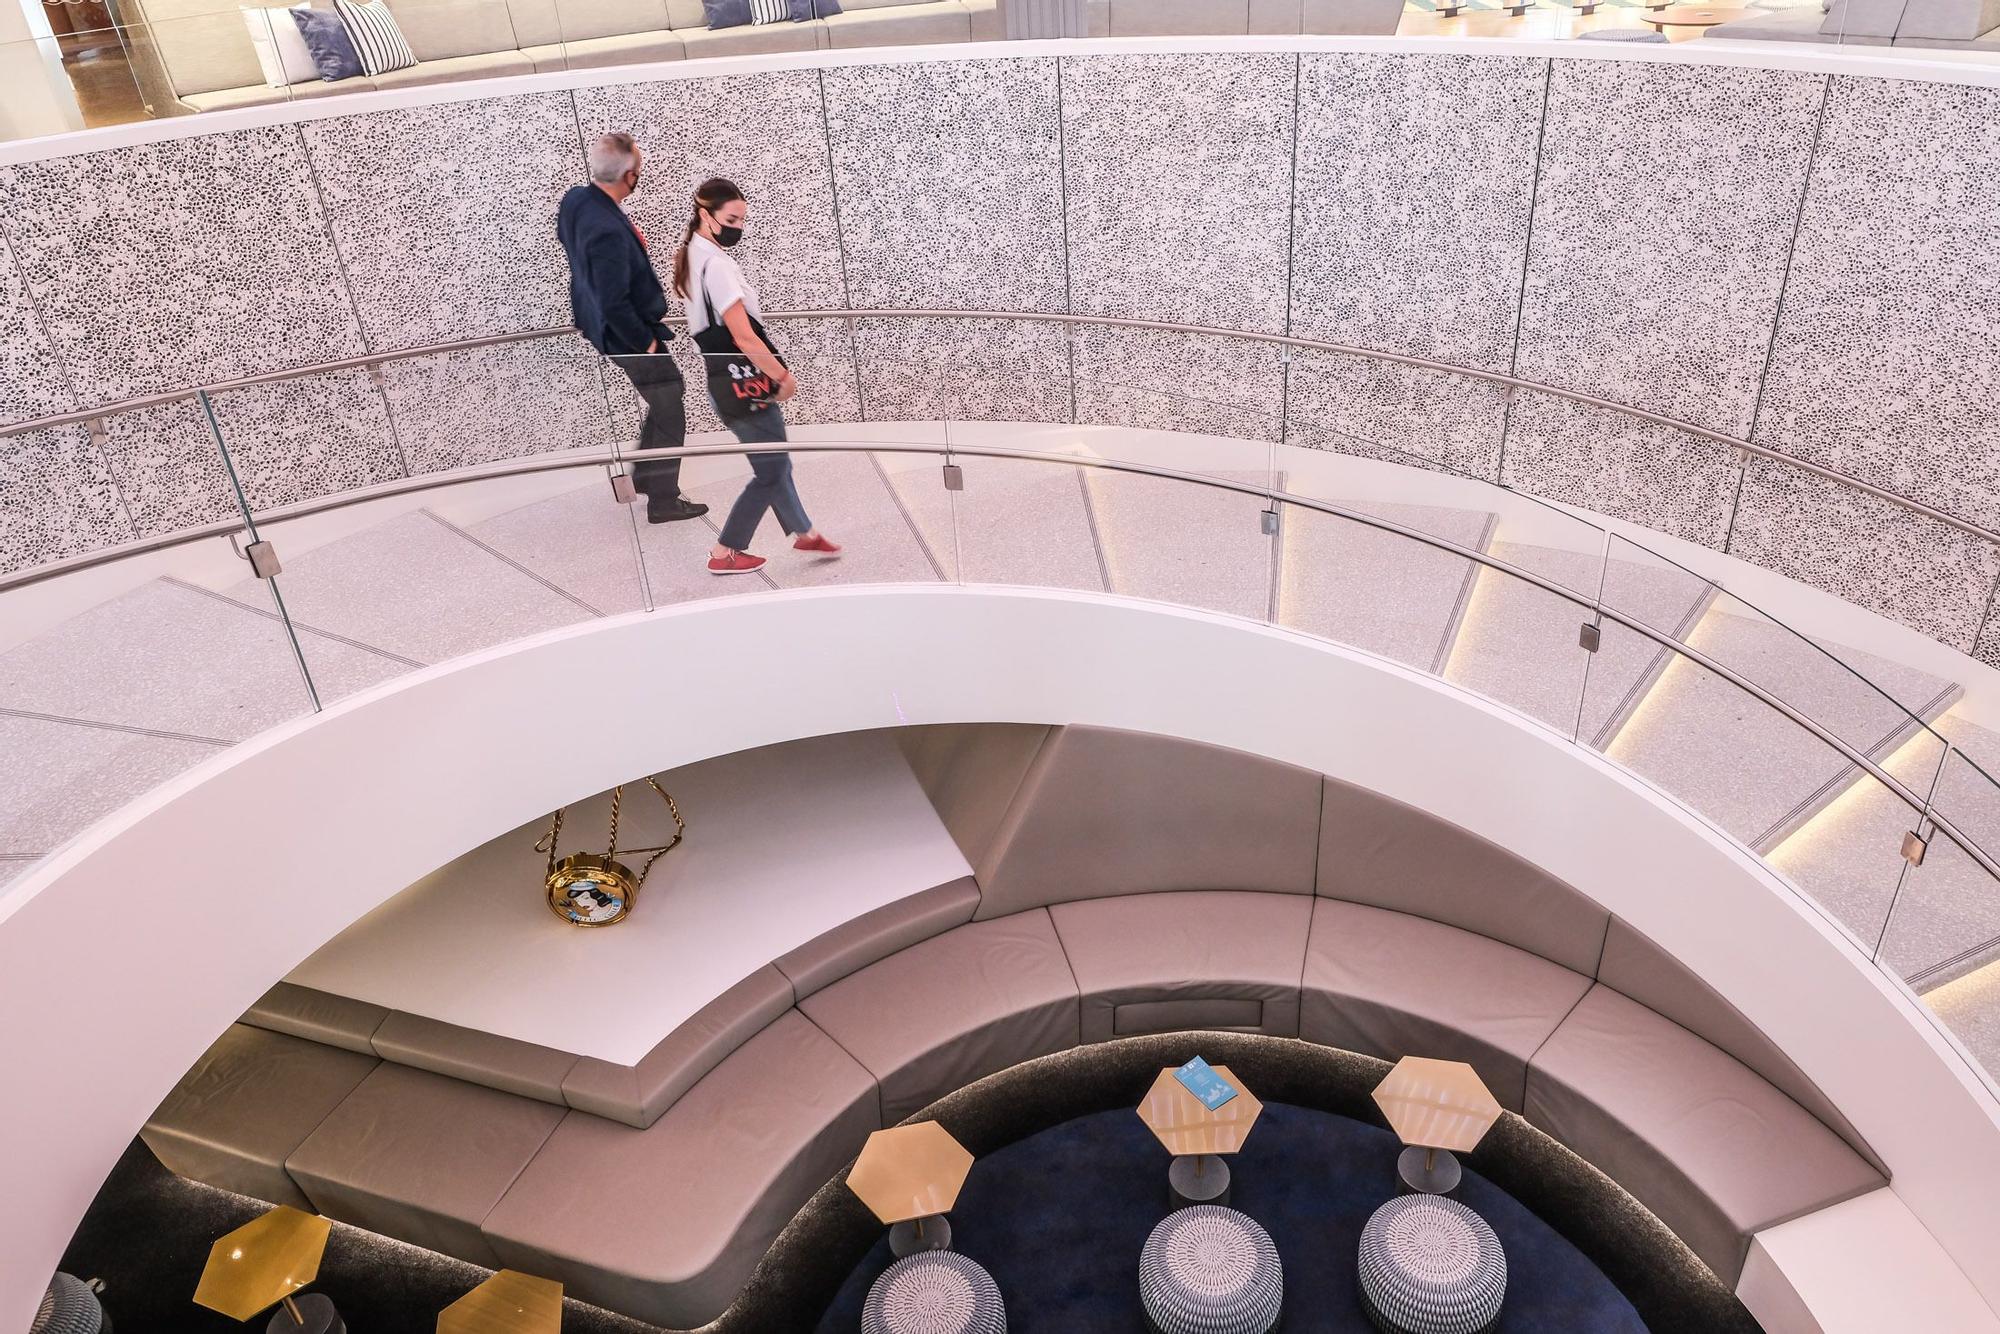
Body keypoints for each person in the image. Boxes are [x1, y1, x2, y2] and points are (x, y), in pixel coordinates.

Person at [673, 177, 839, 575]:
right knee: (771, 470)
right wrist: (783, 376)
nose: (738, 228)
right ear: (704, 215)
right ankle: (725, 551)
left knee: (774, 462)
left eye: (743, 220)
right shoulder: (717, 265)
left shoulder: (695, 256)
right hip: (745, 382)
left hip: (725, 381)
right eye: (732, 219)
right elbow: (744, 335)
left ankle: (803, 531)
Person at [556, 131, 706, 524]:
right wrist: (646, 342)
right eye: (639, 167)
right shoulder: (606, 229)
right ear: (629, 176)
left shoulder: (576, 200)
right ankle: (663, 500)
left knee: (665, 398)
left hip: (603, 325)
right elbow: (613, 301)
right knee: (670, 402)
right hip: (626, 335)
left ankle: (646, 478)